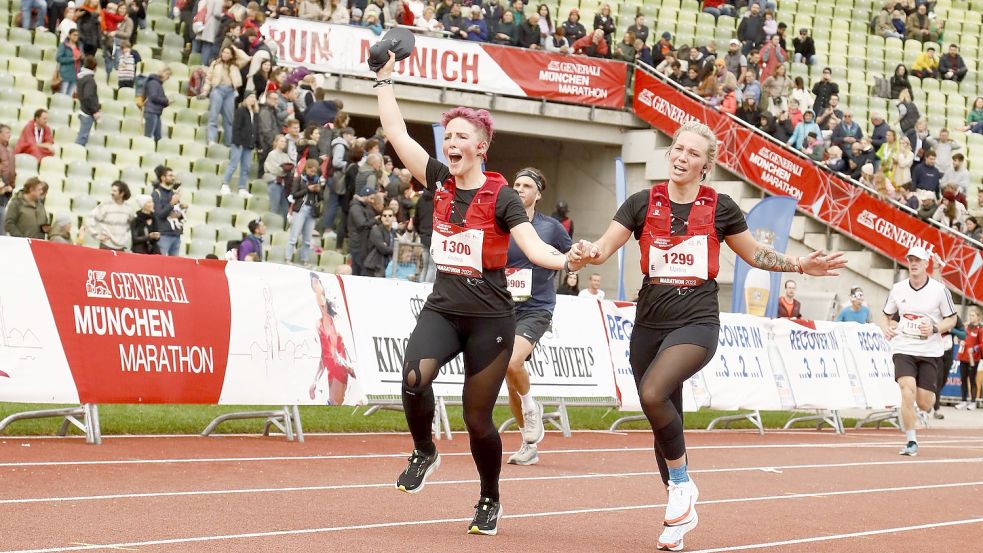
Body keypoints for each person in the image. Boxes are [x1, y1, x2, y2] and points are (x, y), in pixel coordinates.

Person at [567, 121, 845, 551]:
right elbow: (602, 248)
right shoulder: (641, 203)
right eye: (677, 149)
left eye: (693, 153)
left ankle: (681, 485)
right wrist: (585, 253)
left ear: (706, 166)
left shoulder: (721, 207)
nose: (681, 157)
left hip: (697, 320)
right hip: (649, 322)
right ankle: (677, 519)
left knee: (654, 394)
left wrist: (800, 265)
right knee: (664, 419)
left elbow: (755, 253)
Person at [373, 51, 583, 537]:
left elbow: (533, 248)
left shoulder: (504, 196)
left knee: (476, 419)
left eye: (461, 137)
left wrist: (569, 258)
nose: (451, 143)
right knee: (412, 378)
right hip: (444, 309)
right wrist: (384, 80)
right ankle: (424, 450)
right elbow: (398, 135)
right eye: (447, 137)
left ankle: (489, 497)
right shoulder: (440, 182)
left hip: (491, 320)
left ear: (482, 145)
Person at [503, 167, 572, 466]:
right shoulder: (500, 224)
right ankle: (527, 443)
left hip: (536, 307)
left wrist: (575, 266)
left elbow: (571, 257)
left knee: (511, 361)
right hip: (502, 307)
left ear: (538, 193)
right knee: (510, 380)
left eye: (526, 185)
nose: (519, 189)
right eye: (516, 184)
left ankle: (532, 409)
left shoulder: (551, 228)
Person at [881, 246, 957, 456]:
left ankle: (924, 411)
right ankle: (911, 441)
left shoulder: (940, 290)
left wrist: (935, 328)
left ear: (926, 264)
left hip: (930, 351)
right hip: (903, 348)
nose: (913, 263)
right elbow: (886, 315)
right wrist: (886, 327)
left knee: (924, 403)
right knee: (907, 390)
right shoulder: (898, 289)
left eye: (918, 260)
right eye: (910, 259)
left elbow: (952, 319)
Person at [307, 273, 355, 405]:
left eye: (318, 284)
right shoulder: (318, 324)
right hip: (330, 368)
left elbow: (345, 350)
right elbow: (324, 355)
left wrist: (349, 367)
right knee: (332, 403)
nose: (317, 294)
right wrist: (315, 381)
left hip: (341, 368)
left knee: (337, 402)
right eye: (313, 286)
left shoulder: (339, 322)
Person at [285, 159, 323, 265]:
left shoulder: (318, 181)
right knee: (294, 236)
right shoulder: (299, 179)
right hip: (300, 209)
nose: (313, 173)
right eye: (311, 171)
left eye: (315, 172)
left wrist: (318, 190)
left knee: (307, 239)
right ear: (306, 169)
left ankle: (304, 259)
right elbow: (294, 194)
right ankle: (288, 257)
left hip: (312, 211)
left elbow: (321, 198)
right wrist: (308, 189)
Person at [222, 92, 259, 197]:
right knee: (233, 164)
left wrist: (257, 143)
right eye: (250, 97)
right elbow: (236, 127)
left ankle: (242, 187)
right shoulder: (241, 111)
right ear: (245, 99)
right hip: (239, 143)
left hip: (249, 143)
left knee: (246, 167)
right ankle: (225, 184)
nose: (252, 99)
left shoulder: (255, 113)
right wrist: (237, 141)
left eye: (254, 97)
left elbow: (256, 129)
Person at [86, 180, 133, 251]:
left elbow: (130, 224)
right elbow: (90, 218)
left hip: (121, 247)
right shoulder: (105, 205)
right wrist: (96, 235)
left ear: (122, 193)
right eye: (112, 190)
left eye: (114, 191)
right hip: (107, 246)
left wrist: (124, 236)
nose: (111, 193)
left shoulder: (128, 208)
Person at [151, 166, 186, 256]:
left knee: (175, 265)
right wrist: (171, 204)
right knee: (160, 263)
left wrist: (181, 211)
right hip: (163, 234)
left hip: (176, 234)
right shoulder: (156, 194)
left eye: (173, 175)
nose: (173, 178)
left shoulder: (173, 193)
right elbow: (159, 214)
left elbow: (177, 214)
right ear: (163, 178)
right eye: (170, 175)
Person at [955, 307, 981, 410]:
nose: (971, 317)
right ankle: (963, 400)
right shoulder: (965, 327)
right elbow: (959, 337)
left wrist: (975, 348)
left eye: (973, 315)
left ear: (978, 317)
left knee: (972, 379)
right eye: (970, 315)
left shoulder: (980, 329)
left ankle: (973, 402)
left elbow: (981, 344)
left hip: (973, 359)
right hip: (963, 357)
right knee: (963, 379)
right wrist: (959, 341)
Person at [365, 207, 397, 277]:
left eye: (390, 215)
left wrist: (388, 247)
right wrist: (395, 249)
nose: (387, 217)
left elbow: (396, 246)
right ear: (381, 218)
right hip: (375, 267)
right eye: (384, 215)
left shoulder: (394, 232)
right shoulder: (376, 230)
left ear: (393, 218)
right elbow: (383, 249)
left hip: (388, 266)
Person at [143, 68, 172, 143]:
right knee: (149, 136)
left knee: (158, 137)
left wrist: (166, 103)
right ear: (163, 73)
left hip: (155, 112)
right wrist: (166, 101)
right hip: (151, 111)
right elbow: (153, 97)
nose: (168, 78)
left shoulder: (157, 83)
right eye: (168, 75)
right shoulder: (154, 83)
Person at [56, 28, 82, 96]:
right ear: (69, 35)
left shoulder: (78, 46)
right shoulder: (64, 45)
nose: (76, 37)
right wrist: (72, 59)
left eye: (77, 35)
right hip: (65, 74)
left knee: (69, 96)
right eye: (74, 35)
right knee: (63, 94)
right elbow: (59, 58)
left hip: (75, 75)